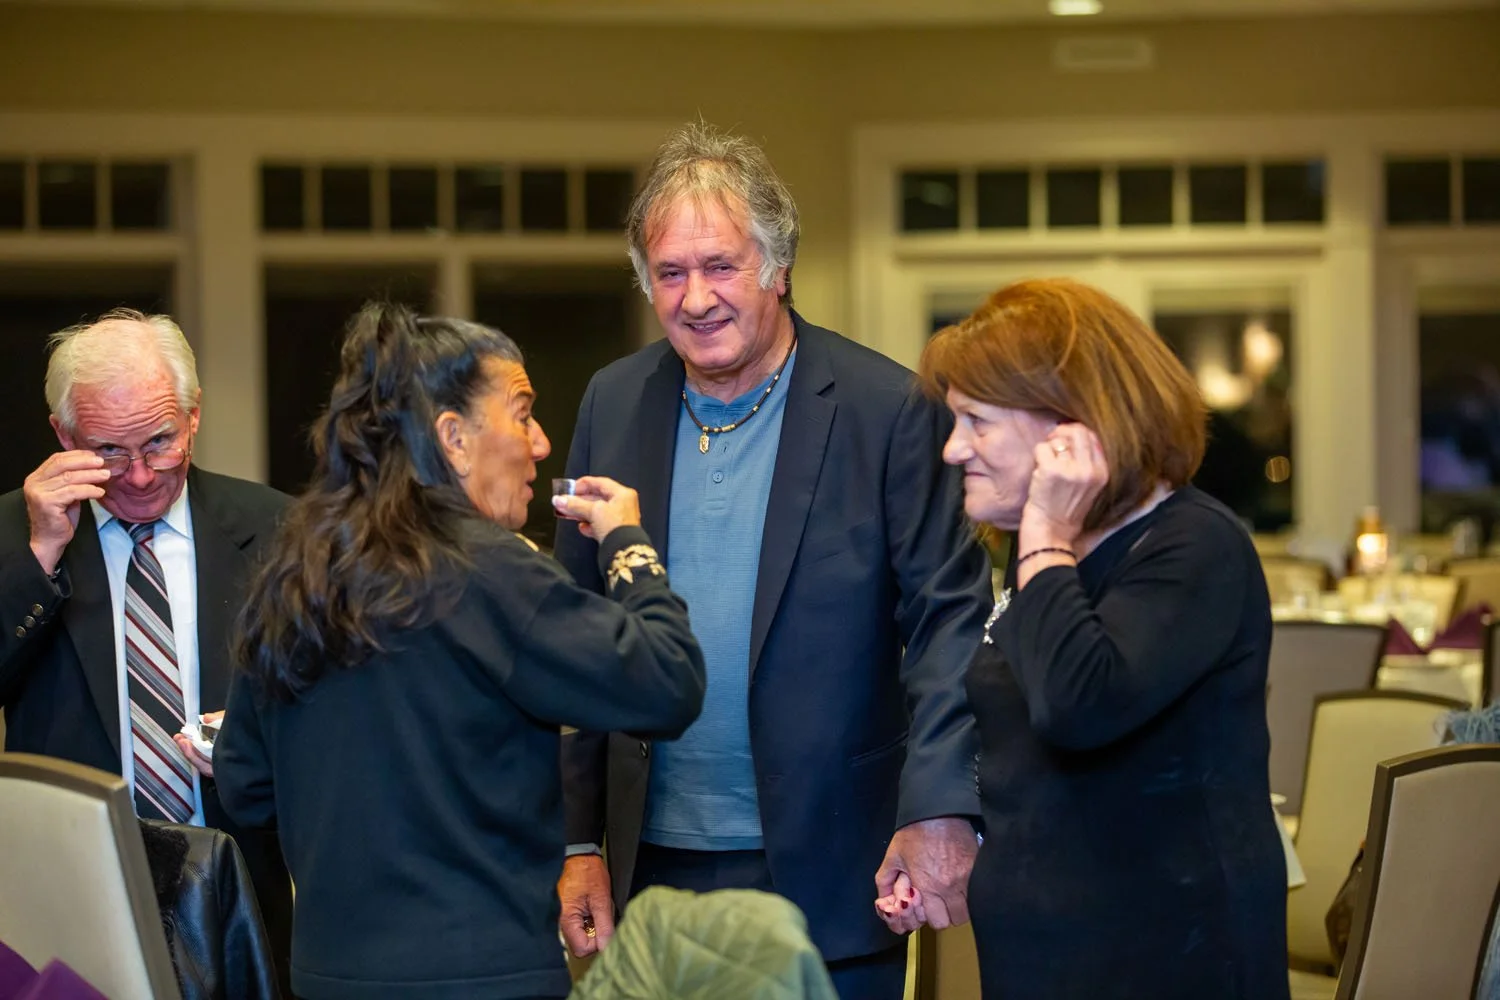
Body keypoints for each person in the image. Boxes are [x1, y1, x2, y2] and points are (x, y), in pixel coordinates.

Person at [553, 122, 993, 1000]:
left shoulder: (886, 409)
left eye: (722, 266)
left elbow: (949, 621)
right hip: (651, 863)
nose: (697, 297)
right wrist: (577, 842)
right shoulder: (616, 399)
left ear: (778, 267)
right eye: (670, 273)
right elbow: (573, 631)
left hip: (835, 862)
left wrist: (940, 806)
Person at [213, 303, 706, 1000]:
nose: (540, 443)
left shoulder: (295, 573)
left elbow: (245, 787)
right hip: (481, 976)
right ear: (455, 438)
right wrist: (627, 545)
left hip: (330, 976)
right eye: (523, 414)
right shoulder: (495, 573)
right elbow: (668, 682)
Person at [894, 277, 1289, 999]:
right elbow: (1029, 748)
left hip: (1169, 962)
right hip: (1047, 959)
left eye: (977, 422)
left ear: (1071, 428)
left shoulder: (1194, 547)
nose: (954, 451)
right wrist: (960, 841)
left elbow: (1081, 706)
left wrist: (1045, 533)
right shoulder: (1049, 554)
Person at [0, 308, 294, 989]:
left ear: (193, 417)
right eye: (107, 450)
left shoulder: (280, 528)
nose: (137, 476)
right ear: (62, 435)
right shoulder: (15, 532)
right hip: (65, 895)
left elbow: (334, 710)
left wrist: (256, 740)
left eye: (160, 442)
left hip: (235, 889)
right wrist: (38, 555)